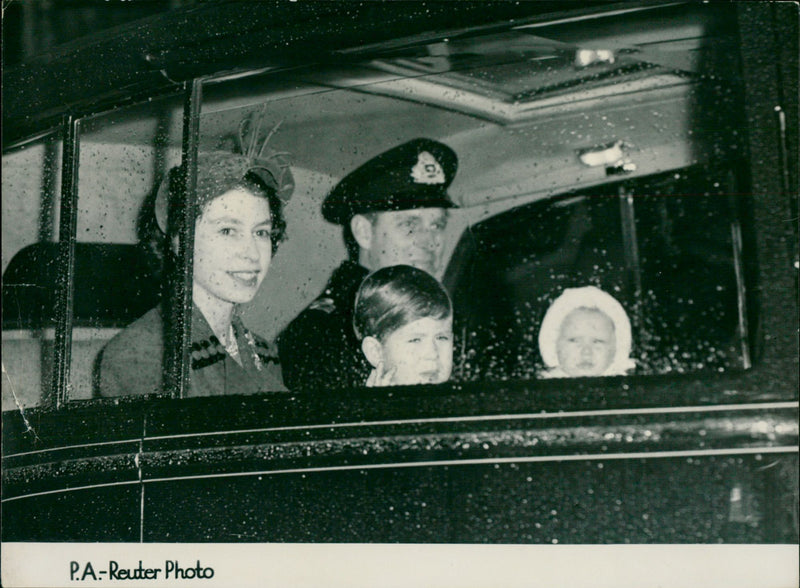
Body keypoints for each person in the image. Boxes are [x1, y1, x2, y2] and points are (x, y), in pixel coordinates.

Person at [99, 138, 293, 397]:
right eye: (227, 230)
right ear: (180, 241)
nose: (251, 253)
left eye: (261, 232)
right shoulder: (142, 352)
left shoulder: (263, 352)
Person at [278, 137, 458, 391]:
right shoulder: (324, 332)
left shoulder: (441, 316)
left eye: (437, 225)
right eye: (410, 225)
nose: (430, 241)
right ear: (363, 232)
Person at [353, 265, 453, 386]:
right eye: (415, 340)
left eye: (442, 338)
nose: (432, 354)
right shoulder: (362, 405)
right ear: (376, 352)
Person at [537, 285, 636, 378]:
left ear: (617, 348)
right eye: (574, 340)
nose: (586, 352)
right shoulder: (541, 390)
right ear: (553, 345)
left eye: (597, 341)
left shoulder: (628, 388)